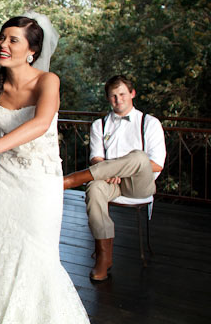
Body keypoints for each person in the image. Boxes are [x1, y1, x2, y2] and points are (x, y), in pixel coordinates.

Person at [0, 14, 88, 323]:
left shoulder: (48, 81)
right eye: (2, 37)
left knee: (38, 254)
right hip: (6, 182)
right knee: (0, 246)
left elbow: (41, 123)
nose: (3, 44)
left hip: (41, 184)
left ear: (32, 51)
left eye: (13, 40)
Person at [64, 75, 165, 281]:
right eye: (113, 96)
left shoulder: (150, 123)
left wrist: (117, 170)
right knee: (94, 188)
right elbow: (96, 159)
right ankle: (104, 257)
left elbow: (156, 164)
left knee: (139, 157)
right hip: (111, 183)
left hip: (139, 184)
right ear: (108, 98)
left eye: (122, 94)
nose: (118, 100)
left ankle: (72, 180)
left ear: (132, 94)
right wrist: (110, 172)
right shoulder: (99, 125)